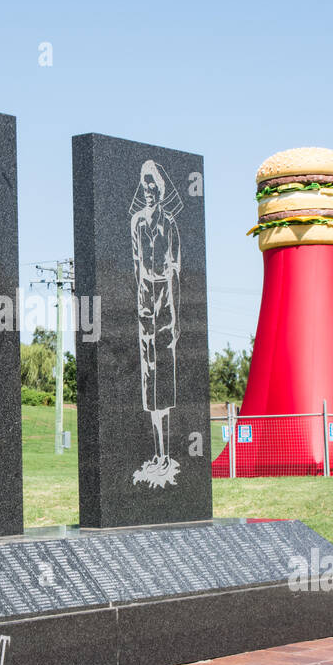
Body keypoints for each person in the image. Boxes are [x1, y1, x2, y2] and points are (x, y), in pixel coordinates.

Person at [130, 160, 182, 487]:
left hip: (165, 295)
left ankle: (166, 454)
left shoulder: (170, 224)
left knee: (163, 374)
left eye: (153, 187)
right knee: (149, 374)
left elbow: (174, 270)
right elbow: (137, 265)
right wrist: (140, 302)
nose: (148, 192)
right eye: (144, 186)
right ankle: (157, 452)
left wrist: (174, 315)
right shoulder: (136, 223)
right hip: (145, 298)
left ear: (160, 190)